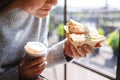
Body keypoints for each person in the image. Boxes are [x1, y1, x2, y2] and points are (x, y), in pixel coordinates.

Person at [0, 0, 92, 80]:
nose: (55, 2)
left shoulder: (39, 12)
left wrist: (64, 50)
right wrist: (18, 75)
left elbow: (39, 59)